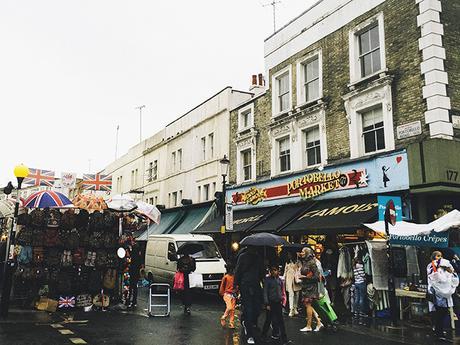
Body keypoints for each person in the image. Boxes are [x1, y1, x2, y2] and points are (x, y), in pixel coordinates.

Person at [234, 246, 264, 345]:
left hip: (252, 285)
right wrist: (236, 285)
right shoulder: (244, 257)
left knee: (255, 308)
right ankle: (250, 334)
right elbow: (238, 271)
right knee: (250, 308)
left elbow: (261, 272)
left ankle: (247, 322)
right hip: (247, 285)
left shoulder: (257, 257)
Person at [427, 251, 459, 342]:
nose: (439, 258)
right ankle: (438, 333)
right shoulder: (431, 266)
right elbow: (436, 278)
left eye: (441, 256)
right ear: (433, 257)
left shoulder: (445, 267)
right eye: (437, 256)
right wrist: (438, 267)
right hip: (436, 293)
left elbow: (452, 278)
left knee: (443, 312)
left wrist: (450, 271)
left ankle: (439, 331)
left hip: (446, 293)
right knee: (439, 312)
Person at [261, 266, 292, 345]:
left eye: (275, 270)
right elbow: (265, 292)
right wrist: (267, 303)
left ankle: (284, 339)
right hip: (271, 303)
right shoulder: (268, 280)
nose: (274, 272)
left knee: (280, 321)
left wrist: (282, 301)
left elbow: (282, 291)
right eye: (273, 270)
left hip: (278, 303)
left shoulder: (279, 280)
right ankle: (263, 335)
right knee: (268, 320)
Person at [298, 247, 320, 332]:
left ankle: (309, 325)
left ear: (307, 253)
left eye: (303, 252)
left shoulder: (312, 263)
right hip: (306, 286)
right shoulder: (305, 262)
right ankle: (318, 322)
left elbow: (317, 276)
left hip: (311, 287)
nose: (301, 253)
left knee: (308, 304)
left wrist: (306, 278)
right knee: (309, 305)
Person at [284, 252, 302, 317]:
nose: (289, 256)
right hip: (289, 280)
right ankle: (291, 309)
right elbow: (285, 272)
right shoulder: (287, 262)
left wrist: (297, 268)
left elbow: (301, 270)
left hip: (296, 279)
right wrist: (284, 279)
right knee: (291, 294)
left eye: (290, 254)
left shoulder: (298, 262)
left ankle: (295, 308)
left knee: (297, 294)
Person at [219, 263, 236, 329]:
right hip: (227, 294)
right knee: (230, 307)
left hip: (233, 294)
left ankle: (231, 323)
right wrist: (222, 293)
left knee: (233, 310)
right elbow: (222, 286)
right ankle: (223, 317)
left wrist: (237, 292)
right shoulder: (225, 277)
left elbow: (236, 285)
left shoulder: (234, 277)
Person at [352, 257, 367, 324]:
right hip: (361, 283)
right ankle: (361, 312)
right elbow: (363, 274)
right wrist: (365, 278)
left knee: (356, 298)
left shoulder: (354, 267)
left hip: (356, 283)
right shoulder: (360, 266)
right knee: (361, 298)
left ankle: (356, 312)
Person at [127, 243, 142, 307]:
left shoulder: (133, 256)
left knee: (131, 287)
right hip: (136, 273)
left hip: (132, 273)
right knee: (135, 287)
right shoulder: (138, 256)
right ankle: (134, 301)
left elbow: (131, 264)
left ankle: (129, 300)